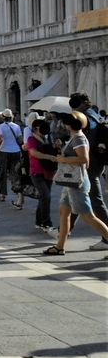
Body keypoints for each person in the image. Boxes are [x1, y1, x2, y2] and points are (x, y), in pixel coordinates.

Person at [43, 111, 108, 257]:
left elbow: (84, 159)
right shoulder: (75, 137)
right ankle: (60, 246)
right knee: (64, 212)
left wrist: (62, 159)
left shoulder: (78, 138)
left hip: (77, 183)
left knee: (88, 216)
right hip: (71, 183)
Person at [68, 91, 108, 251]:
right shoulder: (92, 115)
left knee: (96, 200)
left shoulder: (88, 118)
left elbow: (86, 143)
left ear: (84, 102)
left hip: (91, 164)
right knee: (75, 196)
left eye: (76, 102)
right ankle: (64, 230)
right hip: (94, 162)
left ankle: (106, 239)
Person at [26, 118, 59, 236]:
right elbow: (33, 152)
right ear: (35, 129)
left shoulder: (46, 139)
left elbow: (50, 151)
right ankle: (46, 223)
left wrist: (55, 146)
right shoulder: (31, 139)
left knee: (44, 197)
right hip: (37, 171)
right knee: (46, 195)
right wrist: (48, 157)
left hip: (48, 171)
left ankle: (39, 222)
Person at [0, 109, 22, 202]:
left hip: (4, 151)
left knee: (3, 172)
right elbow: (20, 139)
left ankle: (2, 194)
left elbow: (0, 139)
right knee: (15, 173)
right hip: (15, 151)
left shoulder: (0, 127)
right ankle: (18, 193)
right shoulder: (17, 126)